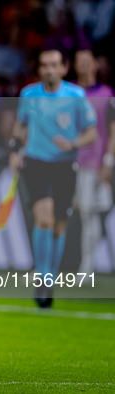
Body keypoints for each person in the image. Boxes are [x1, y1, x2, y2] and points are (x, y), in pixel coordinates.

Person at [10, 48, 97, 308]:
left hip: (64, 166)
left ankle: (50, 275)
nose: (49, 69)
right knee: (44, 219)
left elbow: (91, 133)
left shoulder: (76, 95)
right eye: (44, 65)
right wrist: (15, 150)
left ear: (64, 68)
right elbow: (20, 125)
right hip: (36, 163)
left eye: (54, 65)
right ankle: (43, 276)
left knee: (60, 225)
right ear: (39, 69)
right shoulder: (29, 94)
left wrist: (73, 144)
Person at [73, 49, 115, 277]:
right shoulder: (69, 93)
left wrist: (108, 161)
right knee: (77, 214)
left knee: (90, 213)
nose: (84, 67)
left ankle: (87, 266)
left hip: (95, 163)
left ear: (95, 66)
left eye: (88, 63)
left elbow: (113, 130)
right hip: (71, 162)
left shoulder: (107, 94)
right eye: (80, 63)